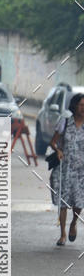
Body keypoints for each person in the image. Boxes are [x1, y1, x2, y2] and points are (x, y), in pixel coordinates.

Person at [49, 92, 84, 246]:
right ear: (74, 106)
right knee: (63, 202)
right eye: (81, 105)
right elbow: (53, 142)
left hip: (81, 170)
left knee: (78, 202)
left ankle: (74, 223)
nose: (83, 108)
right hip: (65, 168)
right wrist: (58, 150)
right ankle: (62, 233)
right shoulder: (65, 121)